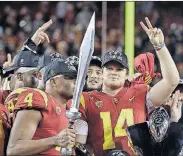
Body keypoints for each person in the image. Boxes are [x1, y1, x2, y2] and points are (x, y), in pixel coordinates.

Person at [70, 17, 180, 155]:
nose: (114, 73)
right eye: (109, 69)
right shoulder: (85, 99)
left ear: (126, 73)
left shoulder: (140, 92)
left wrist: (160, 47)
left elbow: (172, 81)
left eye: (119, 69)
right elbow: (80, 144)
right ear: (101, 72)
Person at [6, 60, 77, 155]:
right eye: (70, 78)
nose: (75, 83)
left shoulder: (70, 108)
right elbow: (14, 148)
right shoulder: (39, 98)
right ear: (54, 81)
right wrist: (55, 140)